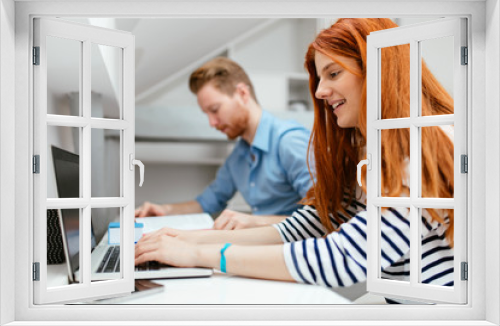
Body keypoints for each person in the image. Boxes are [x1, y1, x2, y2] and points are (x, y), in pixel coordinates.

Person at [134, 18, 456, 294]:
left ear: (378, 69)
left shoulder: (425, 142)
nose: (319, 92)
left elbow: (345, 257)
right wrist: (190, 240)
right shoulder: (370, 148)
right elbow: (315, 221)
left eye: (333, 74)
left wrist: (200, 253)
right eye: (320, 78)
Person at [135, 57, 312, 230]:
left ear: (242, 94)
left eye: (215, 110)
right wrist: (165, 210)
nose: (212, 122)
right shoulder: (238, 156)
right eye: (207, 114)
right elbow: (206, 203)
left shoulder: (289, 142)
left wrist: (254, 222)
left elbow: (325, 217)